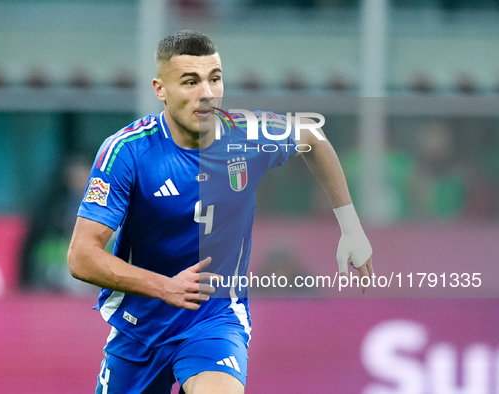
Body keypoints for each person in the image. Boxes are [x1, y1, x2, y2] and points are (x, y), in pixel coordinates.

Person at [67, 30, 373, 394]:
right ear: (159, 89)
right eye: (190, 81)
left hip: (214, 319)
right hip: (139, 327)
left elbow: (312, 136)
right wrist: (165, 287)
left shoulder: (247, 134)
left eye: (215, 78)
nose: (207, 93)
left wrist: (350, 226)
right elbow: (81, 257)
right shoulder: (126, 152)